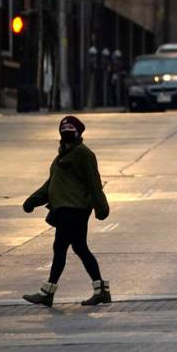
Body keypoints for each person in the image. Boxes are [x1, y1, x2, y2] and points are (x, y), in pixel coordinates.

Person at [22, 116, 111, 307]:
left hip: (74, 209)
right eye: (64, 131)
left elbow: (94, 183)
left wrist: (101, 208)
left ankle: (47, 293)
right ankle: (101, 290)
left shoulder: (83, 154)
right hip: (65, 210)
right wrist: (32, 200)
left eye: (70, 131)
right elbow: (51, 185)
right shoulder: (62, 156)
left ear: (79, 133)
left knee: (60, 248)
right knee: (79, 248)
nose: (67, 134)